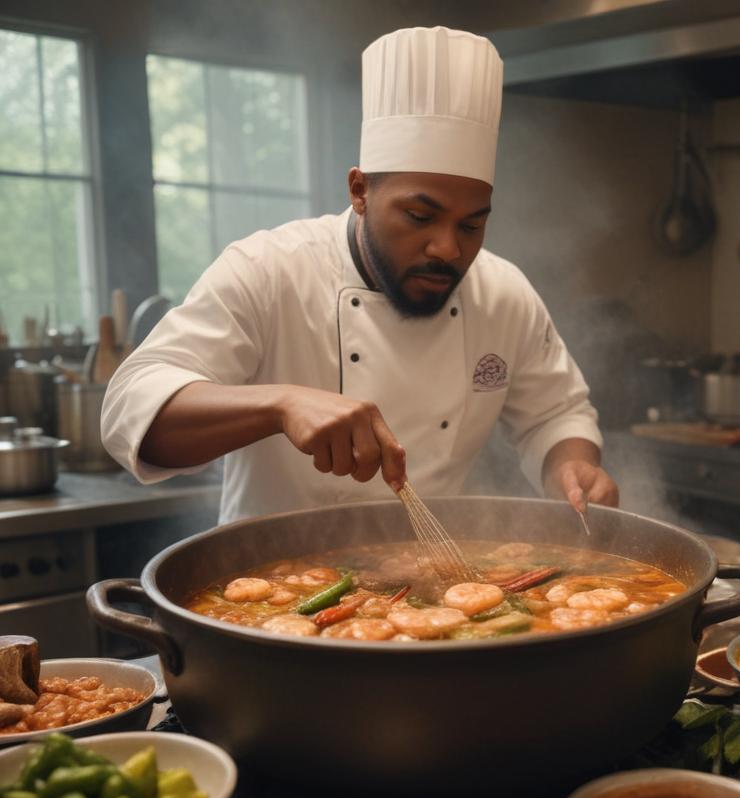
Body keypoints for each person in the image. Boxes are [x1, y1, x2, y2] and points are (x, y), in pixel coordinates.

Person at [102, 26, 619, 523]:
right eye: (420, 217)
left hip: (440, 592)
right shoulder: (270, 269)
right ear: (360, 191)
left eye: (472, 224)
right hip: (272, 596)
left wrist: (571, 465)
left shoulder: (503, 294)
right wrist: (279, 405)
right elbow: (133, 407)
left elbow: (556, 414)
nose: (448, 248)